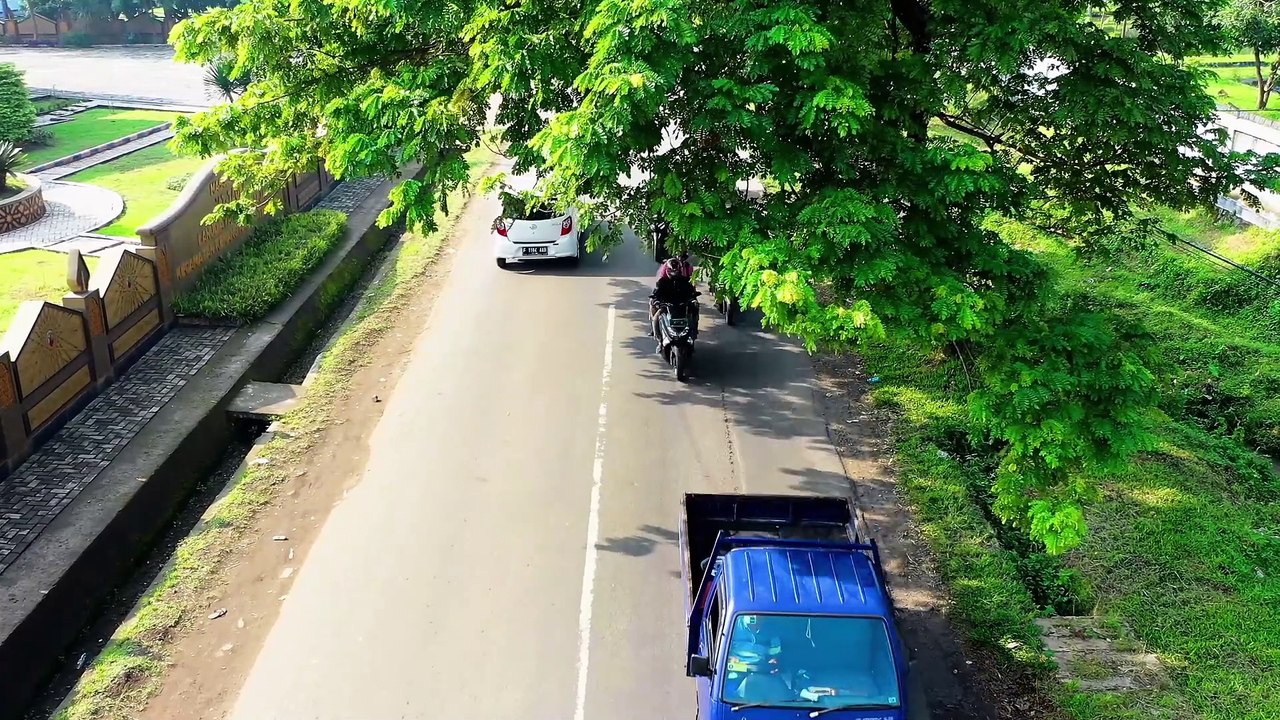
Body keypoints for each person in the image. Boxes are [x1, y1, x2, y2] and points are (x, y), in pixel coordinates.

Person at [649, 257, 699, 345]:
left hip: (682, 306)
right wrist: (656, 300)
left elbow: (691, 292)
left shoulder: (685, 281)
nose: (673, 273)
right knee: (656, 317)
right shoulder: (662, 282)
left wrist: (693, 299)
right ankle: (659, 339)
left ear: (679, 270)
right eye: (671, 270)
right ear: (667, 270)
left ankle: (693, 333)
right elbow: (656, 293)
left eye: (675, 270)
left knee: (694, 312)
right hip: (667, 307)